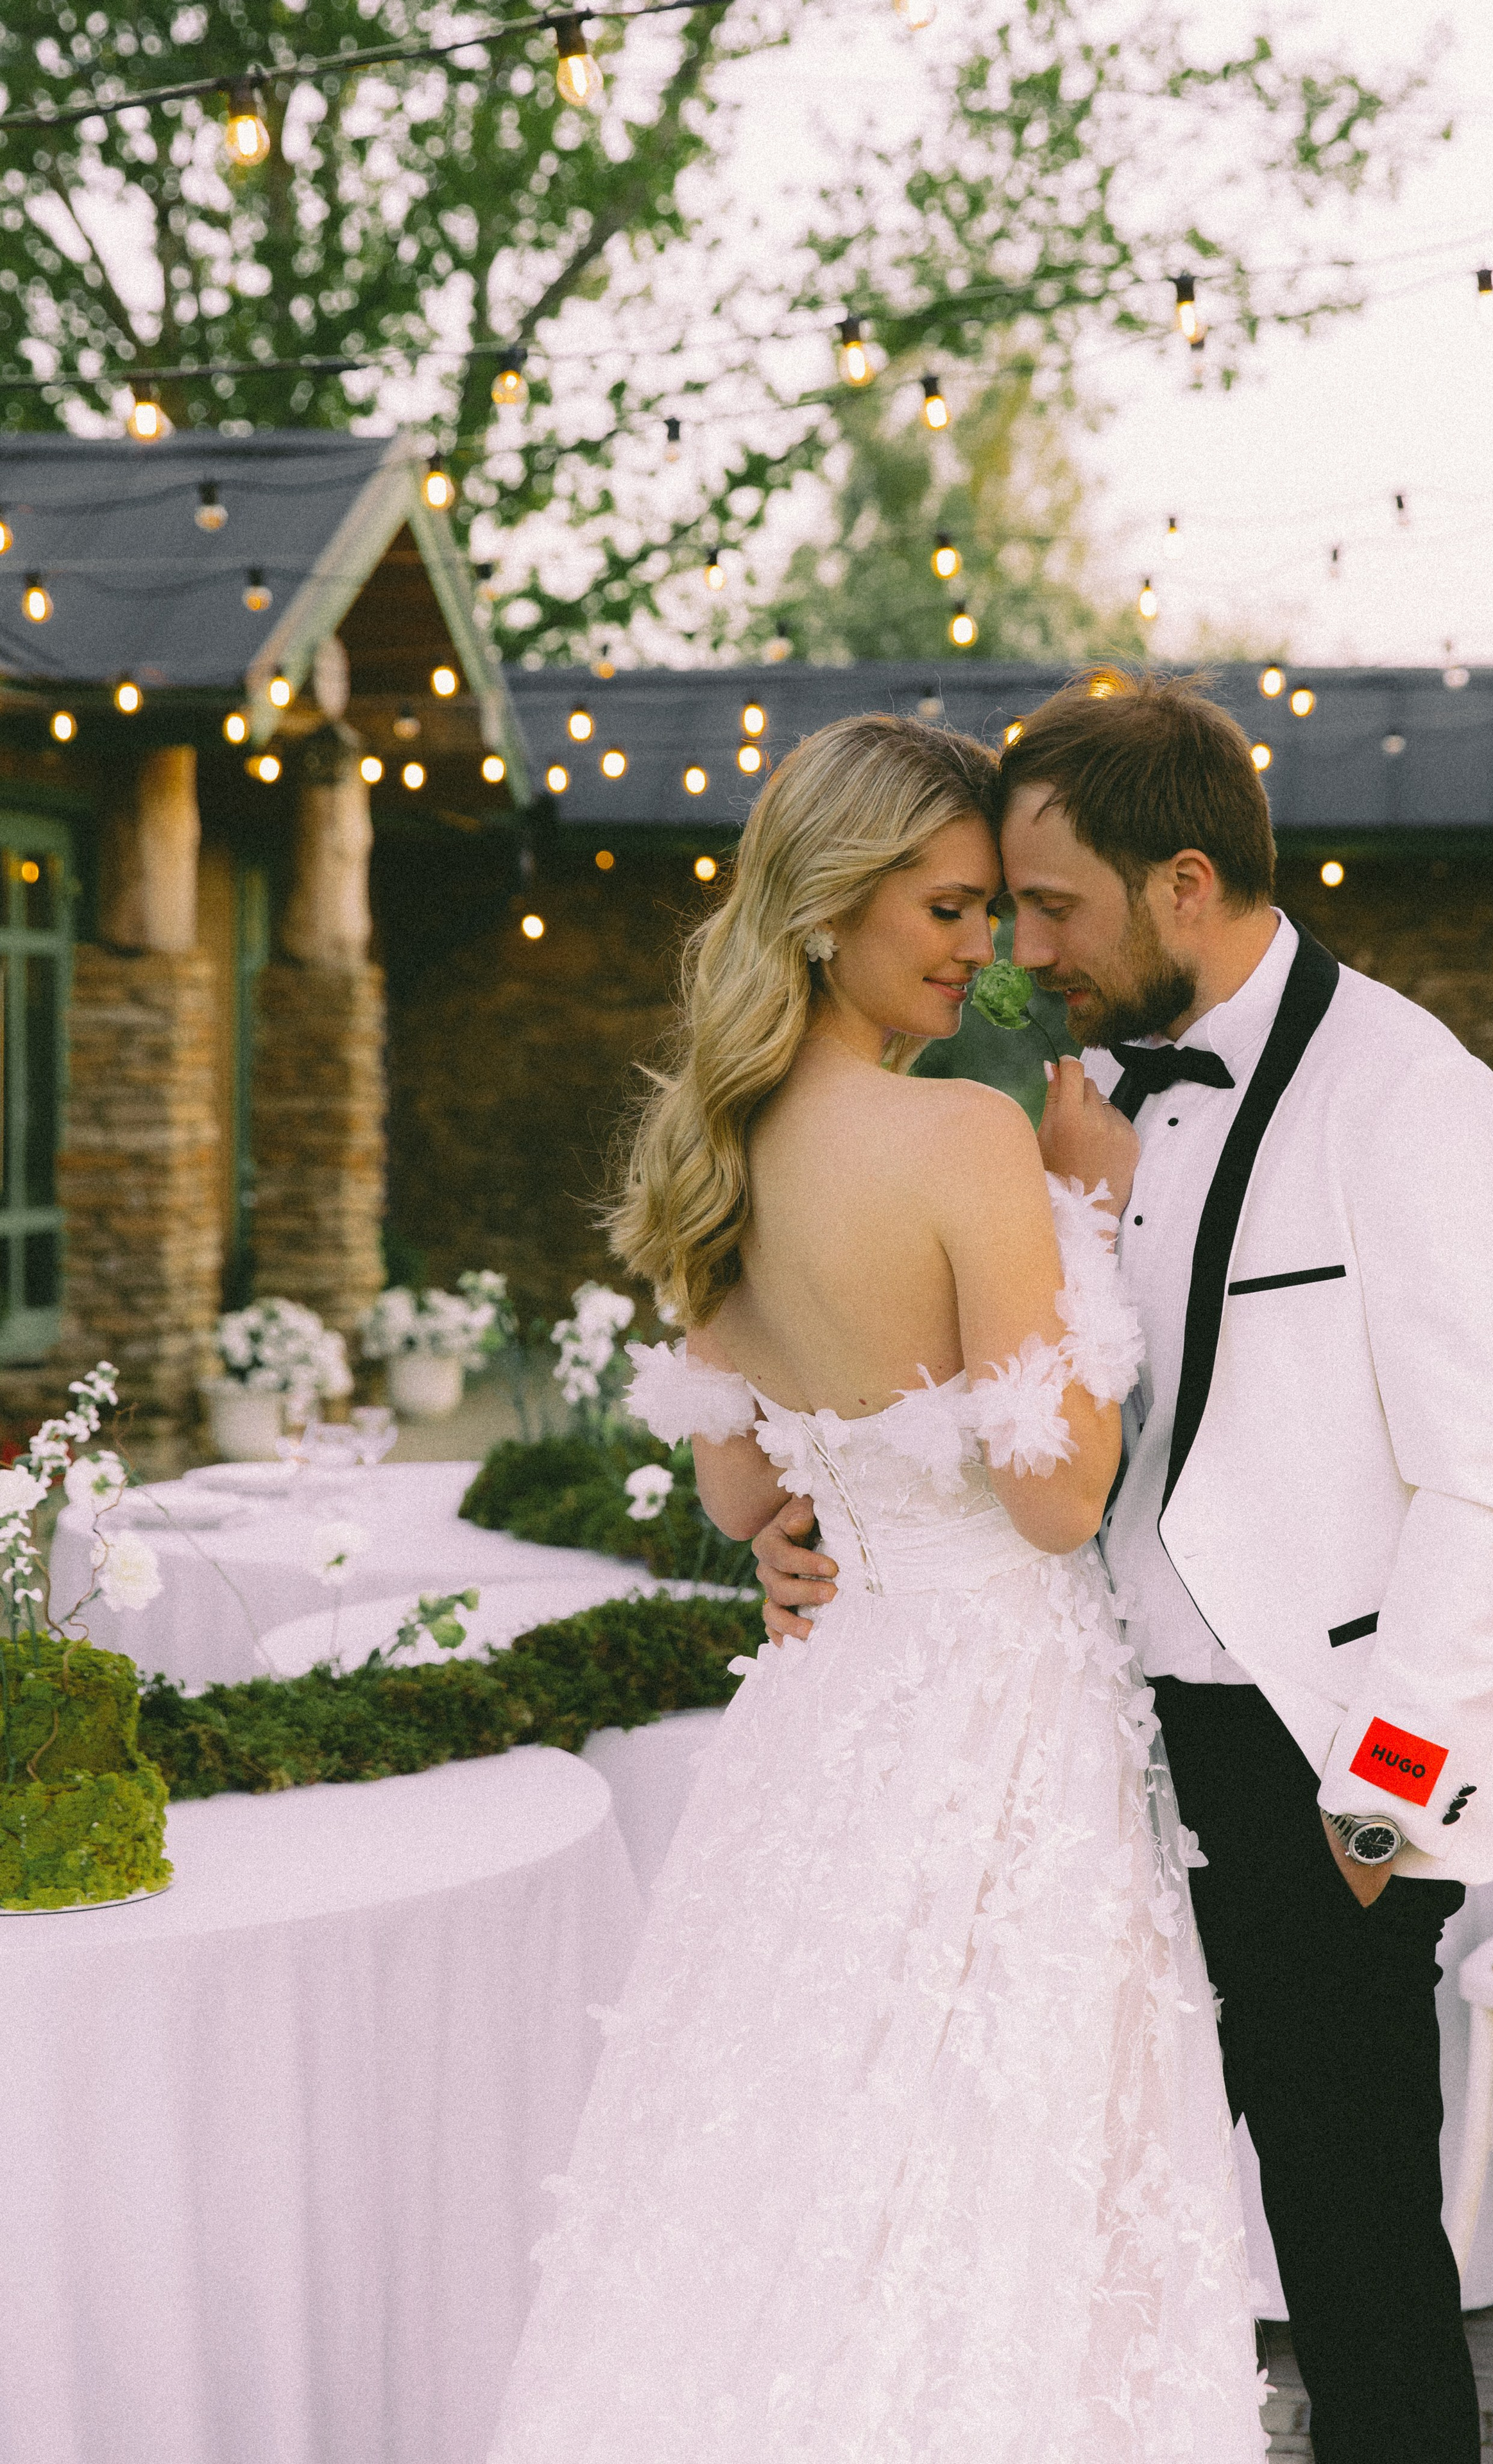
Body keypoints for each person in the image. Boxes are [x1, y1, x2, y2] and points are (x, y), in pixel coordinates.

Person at [756, 671, 1493, 2464]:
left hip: (1319, 1761)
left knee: (1349, 2233)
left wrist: (1385, 1797)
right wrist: (834, 1521)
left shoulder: (1408, 1095)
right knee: (1078, 2205)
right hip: (1098, 1736)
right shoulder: (1074, 1096)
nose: (1017, 946)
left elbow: (1490, 1487)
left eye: (1049, 907)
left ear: (1184, 885)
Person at [490, 712, 1267, 2463]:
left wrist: (800, 1523)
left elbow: (741, 1486)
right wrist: (1096, 1215)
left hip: (830, 1730)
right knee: (1002, 2167)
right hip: (1000, 1729)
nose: (983, 949)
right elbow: (1058, 1498)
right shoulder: (963, 1143)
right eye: (945, 909)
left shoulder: (726, 1146)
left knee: (796, 2151)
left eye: (994, 910)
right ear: (831, 902)